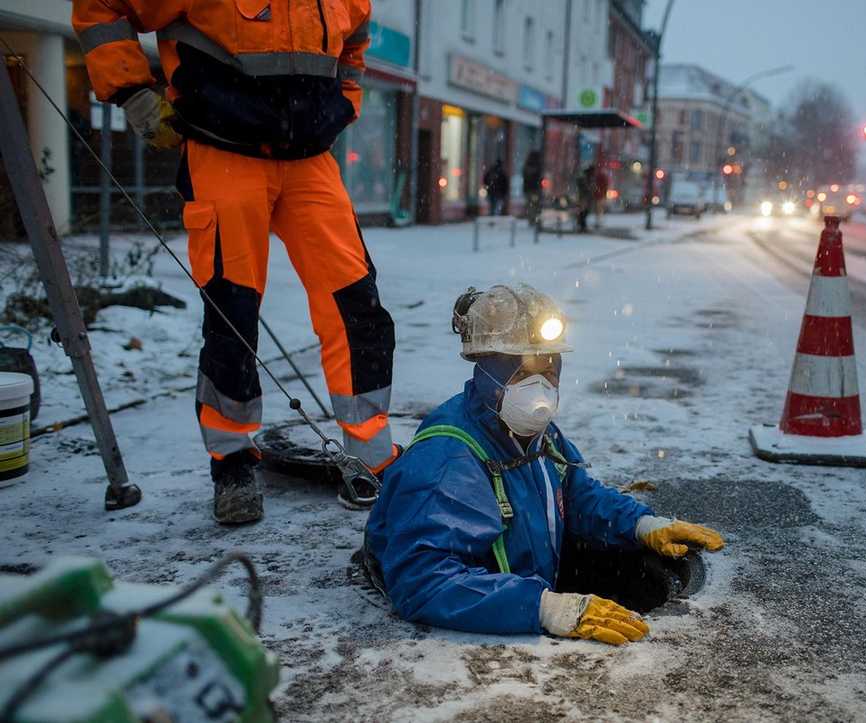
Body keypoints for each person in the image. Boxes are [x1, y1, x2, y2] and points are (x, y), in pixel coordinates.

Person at [72, 0, 397, 524]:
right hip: (224, 150)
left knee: (355, 300)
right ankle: (232, 463)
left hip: (310, 159)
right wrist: (133, 91)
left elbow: (355, 40)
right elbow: (102, 7)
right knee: (233, 312)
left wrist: (344, 102)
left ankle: (372, 453)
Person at [364, 284, 724, 645]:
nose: (540, 385)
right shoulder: (447, 458)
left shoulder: (536, 433)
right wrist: (541, 608)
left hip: (524, 591)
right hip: (483, 627)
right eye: (521, 372)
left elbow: (575, 494)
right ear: (487, 371)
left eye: (550, 367)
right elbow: (422, 581)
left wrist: (642, 525)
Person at [521, 151, 543, 225]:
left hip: (528, 189)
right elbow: (539, 178)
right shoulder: (538, 166)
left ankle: (531, 219)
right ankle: (535, 219)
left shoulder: (527, 166)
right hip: (535, 189)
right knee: (536, 205)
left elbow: (525, 178)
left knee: (531, 205)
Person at [576, 165, 594, 231]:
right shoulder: (585, 178)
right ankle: (582, 226)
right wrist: (589, 189)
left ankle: (582, 225)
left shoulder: (587, 178)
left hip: (585, 197)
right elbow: (584, 187)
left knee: (584, 211)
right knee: (583, 211)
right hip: (584, 197)